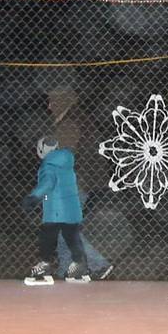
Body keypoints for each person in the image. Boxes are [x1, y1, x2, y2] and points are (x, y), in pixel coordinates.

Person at [45, 86, 114, 279]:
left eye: (52, 101)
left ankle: (98, 264)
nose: (49, 106)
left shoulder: (71, 121)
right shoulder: (75, 118)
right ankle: (67, 269)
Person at [24, 123, 89, 286]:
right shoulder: (67, 163)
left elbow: (47, 183)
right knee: (72, 236)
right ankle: (79, 266)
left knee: (47, 236)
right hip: (72, 209)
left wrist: (33, 197)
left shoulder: (48, 165)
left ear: (42, 150)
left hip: (55, 210)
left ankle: (44, 266)